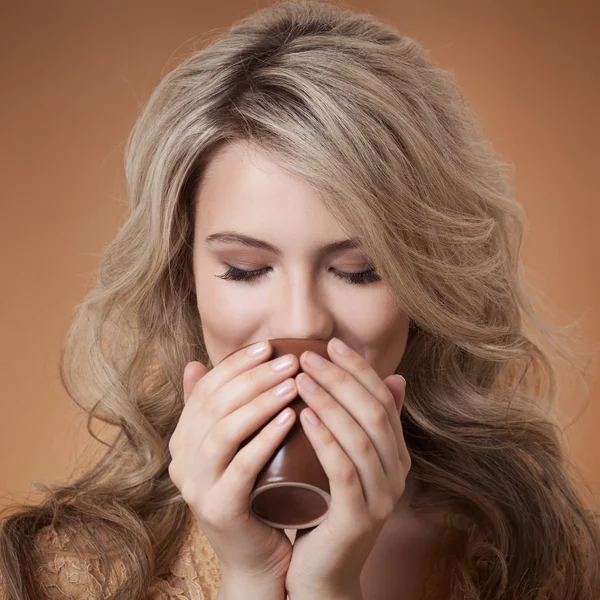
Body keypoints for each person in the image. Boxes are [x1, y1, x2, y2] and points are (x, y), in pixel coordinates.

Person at [1, 0, 599, 598]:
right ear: (183, 274)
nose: (301, 321)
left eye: (360, 271)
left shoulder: (551, 564)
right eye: (244, 269)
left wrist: (328, 586)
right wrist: (252, 578)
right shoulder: (48, 574)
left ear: (430, 281)